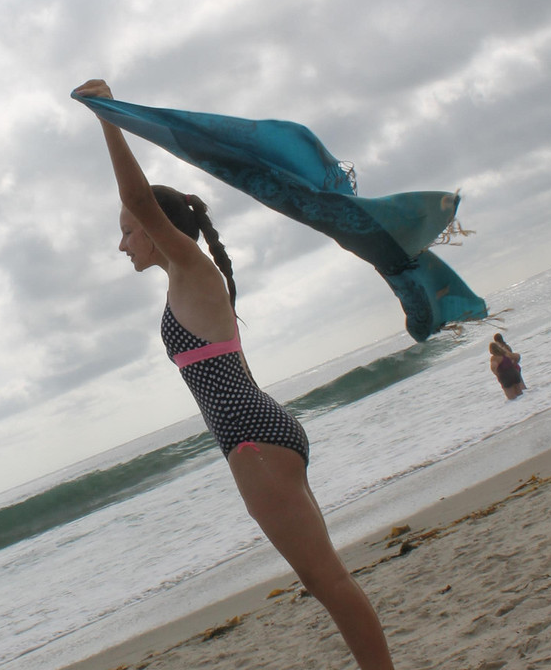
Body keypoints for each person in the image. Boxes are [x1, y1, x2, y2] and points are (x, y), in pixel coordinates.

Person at [74, 79, 395, 670]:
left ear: (155, 228)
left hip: (255, 442)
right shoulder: (185, 285)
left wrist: (107, 120)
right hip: (259, 437)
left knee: (328, 581)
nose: (122, 244)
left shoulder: (192, 269)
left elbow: (142, 200)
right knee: (326, 580)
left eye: (126, 230)